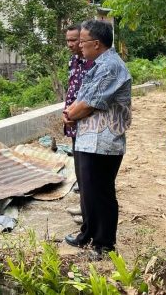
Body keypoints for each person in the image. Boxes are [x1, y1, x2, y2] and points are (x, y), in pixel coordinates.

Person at [63, 19, 132, 258]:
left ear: (96, 43)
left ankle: (104, 244)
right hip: (87, 139)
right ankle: (87, 234)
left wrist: (71, 114)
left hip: (103, 142)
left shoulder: (110, 66)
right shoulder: (96, 64)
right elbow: (82, 97)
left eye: (82, 42)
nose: (79, 46)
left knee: (101, 193)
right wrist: (71, 113)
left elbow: (90, 102)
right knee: (88, 191)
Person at [63, 24, 93, 221]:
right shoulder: (73, 61)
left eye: (76, 40)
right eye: (68, 40)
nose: (71, 44)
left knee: (89, 168)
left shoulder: (93, 63)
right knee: (79, 165)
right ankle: (84, 204)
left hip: (87, 121)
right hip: (72, 120)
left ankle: (90, 209)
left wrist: (75, 114)